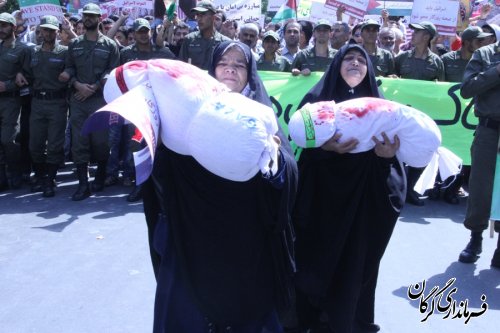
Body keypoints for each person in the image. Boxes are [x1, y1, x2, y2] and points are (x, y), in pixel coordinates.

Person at [151, 40, 298, 332]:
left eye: (239, 64)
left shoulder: (261, 112)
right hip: (193, 229)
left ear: (250, 73)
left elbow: (289, 171)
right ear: (212, 70)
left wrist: (272, 161)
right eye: (224, 63)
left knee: (249, 311)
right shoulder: (190, 109)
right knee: (186, 310)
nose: (231, 68)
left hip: (245, 235)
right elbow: (165, 166)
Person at [292, 43, 405, 333]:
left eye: (361, 60)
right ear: (336, 66)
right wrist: (324, 148)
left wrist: (386, 157)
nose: (355, 63)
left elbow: (394, 169)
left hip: (361, 203)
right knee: (311, 261)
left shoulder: (383, 109)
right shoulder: (316, 100)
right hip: (321, 200)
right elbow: (302, 154)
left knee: (354, 264)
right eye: (348, 59)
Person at [60, 3, 120, 201]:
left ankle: (100, 175)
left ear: (99, 19)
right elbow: (69, 68)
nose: (88, 19)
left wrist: (93, 86)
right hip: (78, 100)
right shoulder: (75, 45)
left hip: (99, 99)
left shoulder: (110, 46)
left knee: (102, 142)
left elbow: (112, 71)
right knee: (79, 141)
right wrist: (76, 84)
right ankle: (83, 185)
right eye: (85, 16)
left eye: (92, 16)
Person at [458, 33, 500, 268]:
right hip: (489, 130)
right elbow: (467, 89)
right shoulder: (485, 54)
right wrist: (496, 72)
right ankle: (475, 238)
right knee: (481, 186)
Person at [394, 21, 445, 206]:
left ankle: (411, 189)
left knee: (422, 152)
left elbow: (442, 90)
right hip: (404, 114)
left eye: (418, 32)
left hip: (424, 117)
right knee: (398, 149)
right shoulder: (402, 58)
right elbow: (392, 82)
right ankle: (397, 187)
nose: (412, 34)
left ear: (427, 37)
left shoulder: (436, 62)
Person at [22, 15, 69, 197]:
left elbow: (72, 69)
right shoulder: (32, 52)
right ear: (39, 31)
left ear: (57, 31)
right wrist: (19, 74)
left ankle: (50, 179)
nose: (48, 33)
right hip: (37, 102)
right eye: (45, 30)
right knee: (35, 144)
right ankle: (40, 176)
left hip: (57, 102)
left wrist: (68, 72)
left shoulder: (64, 52)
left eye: (51, 30)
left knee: (55, 144)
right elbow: (24, 71)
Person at [0, 12, 30, 191]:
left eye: (4, 25)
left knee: (8, 140)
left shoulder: (23, 49)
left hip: (12, 101)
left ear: (13, 27)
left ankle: (15, 171)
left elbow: (28, 76)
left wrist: (9, 85)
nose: (1, 29)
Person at [179, 0, 230, 70]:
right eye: (197, 15)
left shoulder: (224, 42)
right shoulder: (189, 39)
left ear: (213, 17)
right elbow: (181, 67)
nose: (199, 19)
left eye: (202, 15)